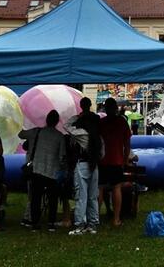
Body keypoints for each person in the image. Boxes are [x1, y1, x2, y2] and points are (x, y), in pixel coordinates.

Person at [18, 109, 67, 232]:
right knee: (52, 199)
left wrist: (26, 124)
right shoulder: (60, 136)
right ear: (57, 122)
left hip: (36, 170)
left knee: (36, 198)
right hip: (52, 172)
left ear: (46, 120)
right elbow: (62, 156)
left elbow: (21, 134)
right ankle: (51, 223)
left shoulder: (36, 132)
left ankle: (35, 223)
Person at [66, 96, 102, 235]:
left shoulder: (81, 133)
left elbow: (66, 126)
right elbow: (102, 153)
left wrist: (78, 116)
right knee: (93, 196)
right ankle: (92, 224)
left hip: (82, 165)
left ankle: (80, 224)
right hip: (94, 165)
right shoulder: (98, 136)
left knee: (81, 196)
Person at [98, 98, 132, 226]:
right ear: (116, 108)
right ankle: (116, 219)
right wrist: (125, 160)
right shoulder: (122, 122)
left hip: (102, 161)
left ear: (105, 109)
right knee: (116, 188)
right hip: (117, 160)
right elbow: (127, 145)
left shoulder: (101, 123)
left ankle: (95, 218)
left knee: (100, 188)